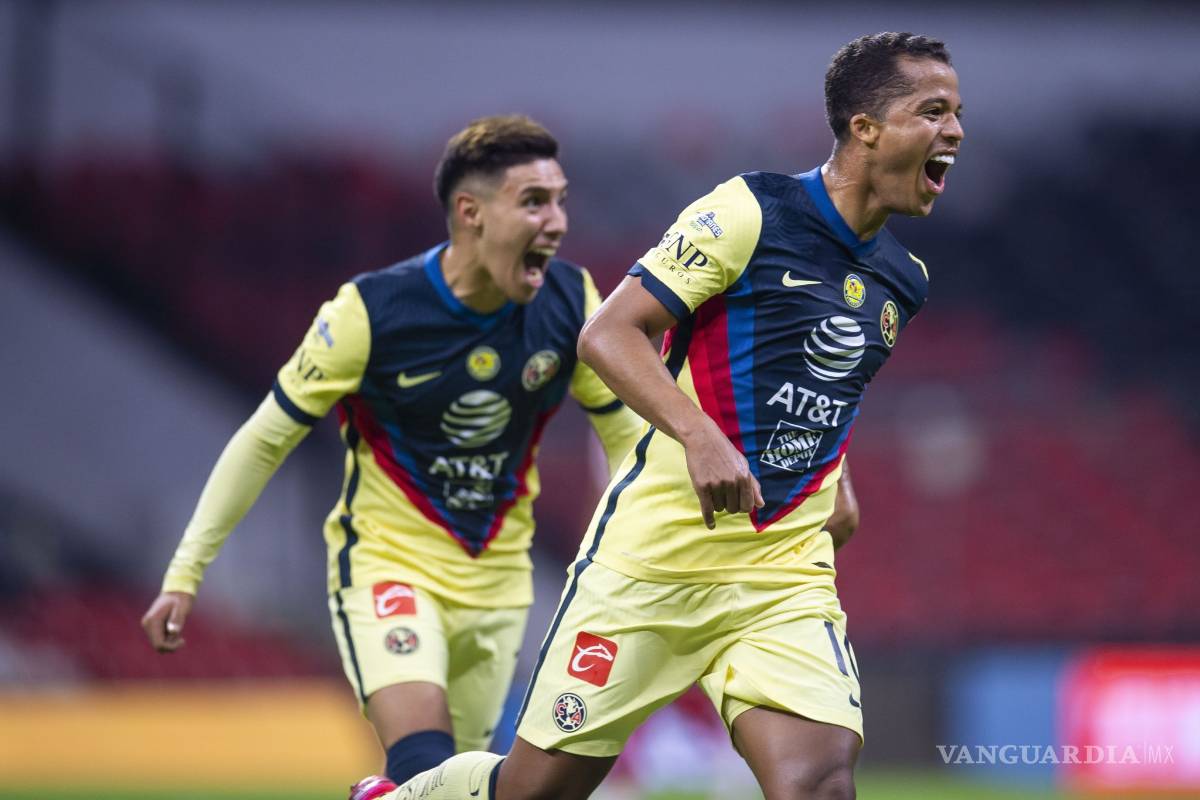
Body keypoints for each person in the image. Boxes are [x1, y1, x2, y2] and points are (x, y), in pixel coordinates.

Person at [354, 29, 963, 800]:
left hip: (779, 574)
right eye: (933, 111)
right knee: (534, 792)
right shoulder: (751, 212)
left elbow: (820, 387)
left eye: (958, 114)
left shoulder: (903, 279)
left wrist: (835, 477)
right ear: (865, 127)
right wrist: (699, 436)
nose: (955, 131)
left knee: (820, 784)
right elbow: (608, 333)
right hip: (653, 562)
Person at [140, 115, 644, 785]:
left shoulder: (569, 299)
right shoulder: (372, 312)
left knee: (450, 788)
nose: (557, 222)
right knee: (422, 759)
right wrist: (186, 570)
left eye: (560, 200)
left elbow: (626, 438)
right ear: (470, 213)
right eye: (533, 202)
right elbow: (265, 438)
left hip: (498, 585)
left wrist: (642, 547)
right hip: (389, 568)